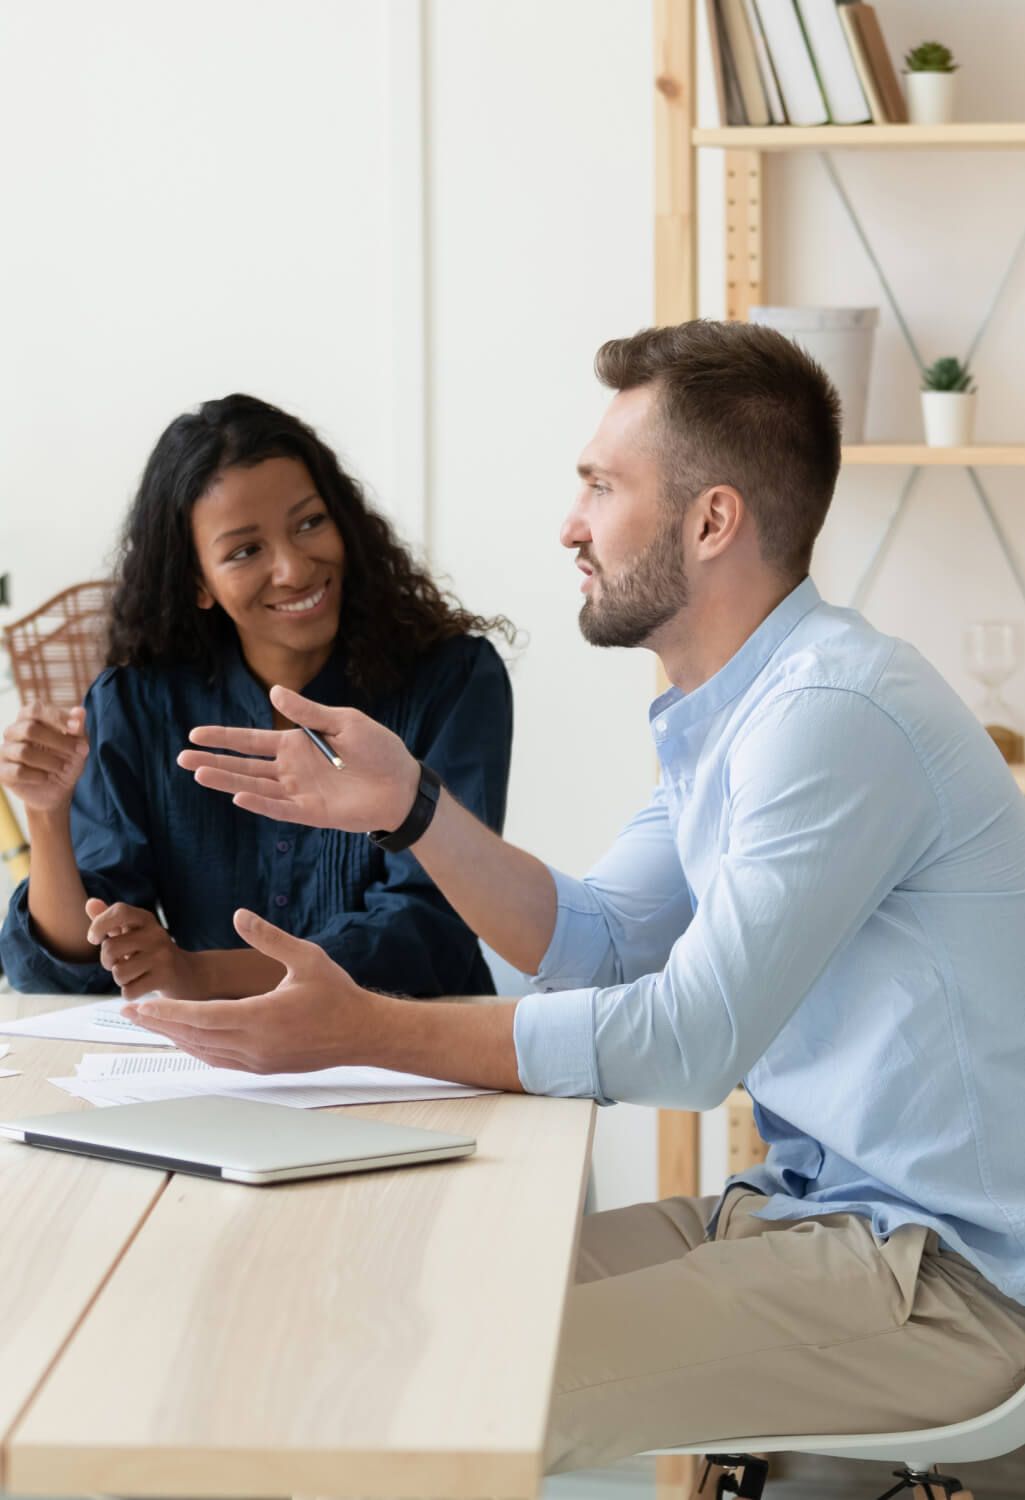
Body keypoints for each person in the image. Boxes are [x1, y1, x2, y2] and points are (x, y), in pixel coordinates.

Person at [127, 324, 1025, 1472]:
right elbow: (597, 946)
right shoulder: (733, 717)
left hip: (941, 1278)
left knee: (419, 1384)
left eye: (601, 486)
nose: (570, 524)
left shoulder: (829, 717)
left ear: (709, 521)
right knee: (367, 1311)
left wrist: (363, 1032)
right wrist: (411, 810)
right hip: (804, 1212)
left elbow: (685, 1042)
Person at [0, 395, 513, 1000]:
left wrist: (198, 973)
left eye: (310, 522)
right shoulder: (135, 703)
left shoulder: (452, 679)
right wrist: (47, 813)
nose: (295, 568)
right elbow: (69, 966)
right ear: (198, 583)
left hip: (422, 1067)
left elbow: (428, 933)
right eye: (246, 551)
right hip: (217, 1071)